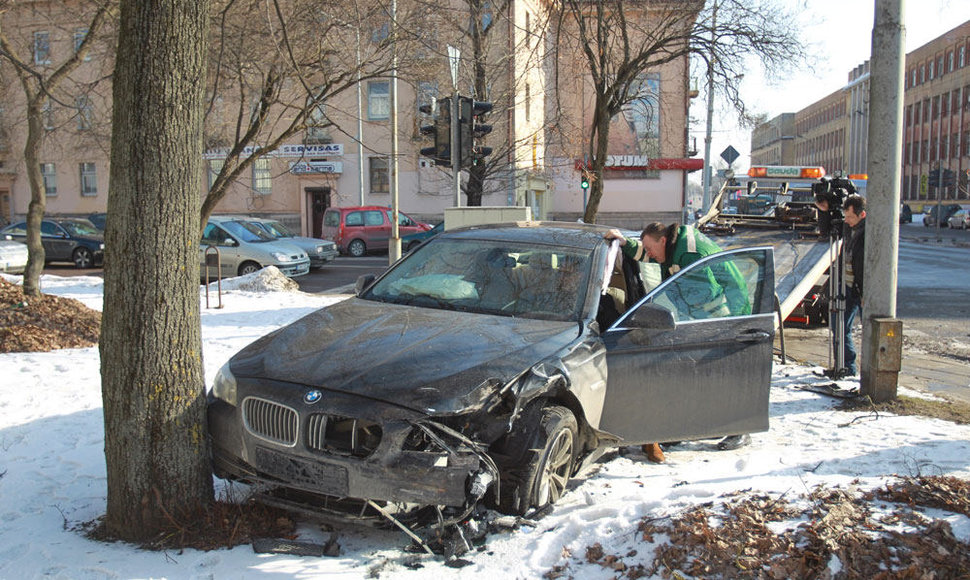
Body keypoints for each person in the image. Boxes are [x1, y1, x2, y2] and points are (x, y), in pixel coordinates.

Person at [604, 223, 752, 462]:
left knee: (717, 374)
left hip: (718, 318)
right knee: (694, 374)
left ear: (663, 241)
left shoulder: (690, 253)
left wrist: (723, 326)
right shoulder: (671, 247)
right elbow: (649, 256)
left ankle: (739, 430)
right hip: (701, 317)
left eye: (651, 248)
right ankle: (684, 427)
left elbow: (703, 294)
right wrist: (625, 243)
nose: (649, 255)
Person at [824, 194, 866, 376]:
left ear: (862, 215)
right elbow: (826, 231)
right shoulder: (849, 228)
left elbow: (867, 265)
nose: (846, 221)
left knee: (870, 330)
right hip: (847, 286)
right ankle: (845, 367)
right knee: (839, 327)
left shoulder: (871, 233)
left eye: (850, 217)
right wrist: (824, 212)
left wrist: (865, 293)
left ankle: (867, 372)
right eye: (845, 216)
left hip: (862, 289)